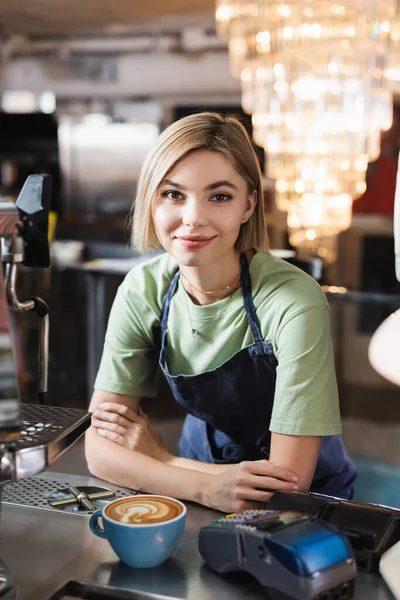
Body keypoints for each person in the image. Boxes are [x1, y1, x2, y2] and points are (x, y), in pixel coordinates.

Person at [85, 112, 356, 514]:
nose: (193, 217)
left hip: (306, 503)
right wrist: (205, 486)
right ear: (150, 200)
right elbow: (100, 449)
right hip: (193, 486)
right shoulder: (143, 289)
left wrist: (160, 461)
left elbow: (284, 487)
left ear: (249, 204)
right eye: (173, 194)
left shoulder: (294, 301)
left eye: (219, 196)